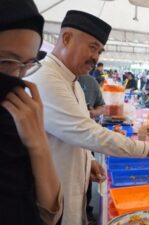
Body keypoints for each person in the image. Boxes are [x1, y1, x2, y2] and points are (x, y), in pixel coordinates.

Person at [27, 10, 149, 225]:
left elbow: (74, 131)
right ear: (67, 38)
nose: (96, 57)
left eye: (99, 51)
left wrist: (88, 161)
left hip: (70, 193)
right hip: (49, 205)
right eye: (92, 47)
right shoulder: (45, 79)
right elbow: (89, 133)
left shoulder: (73, 81)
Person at [0, 0, 63, 224]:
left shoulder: (18, 113)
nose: (16, 74)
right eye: (6, 61)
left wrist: (39, 145)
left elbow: (51, 213)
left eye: (27, 64)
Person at [78, 74, 105, 225]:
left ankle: (86, 210)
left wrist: (94, 113)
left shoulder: (90, 82)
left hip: (88, 139)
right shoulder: (53, 80)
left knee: (88, 175)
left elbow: (102, 106)